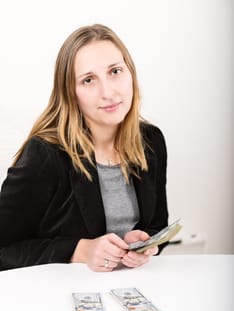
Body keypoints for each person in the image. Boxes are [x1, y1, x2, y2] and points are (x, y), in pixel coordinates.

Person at [0, 24, 168, 272]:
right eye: (88, 80)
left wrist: (143, 243)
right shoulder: (45, 155)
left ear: (130, 73)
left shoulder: (151, 142)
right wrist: (80, 250)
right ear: (70, 93)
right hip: (58, 299)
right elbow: (4, 249)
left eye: (115, 71)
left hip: (129, 289)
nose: (108, 92)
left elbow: (157, 227)